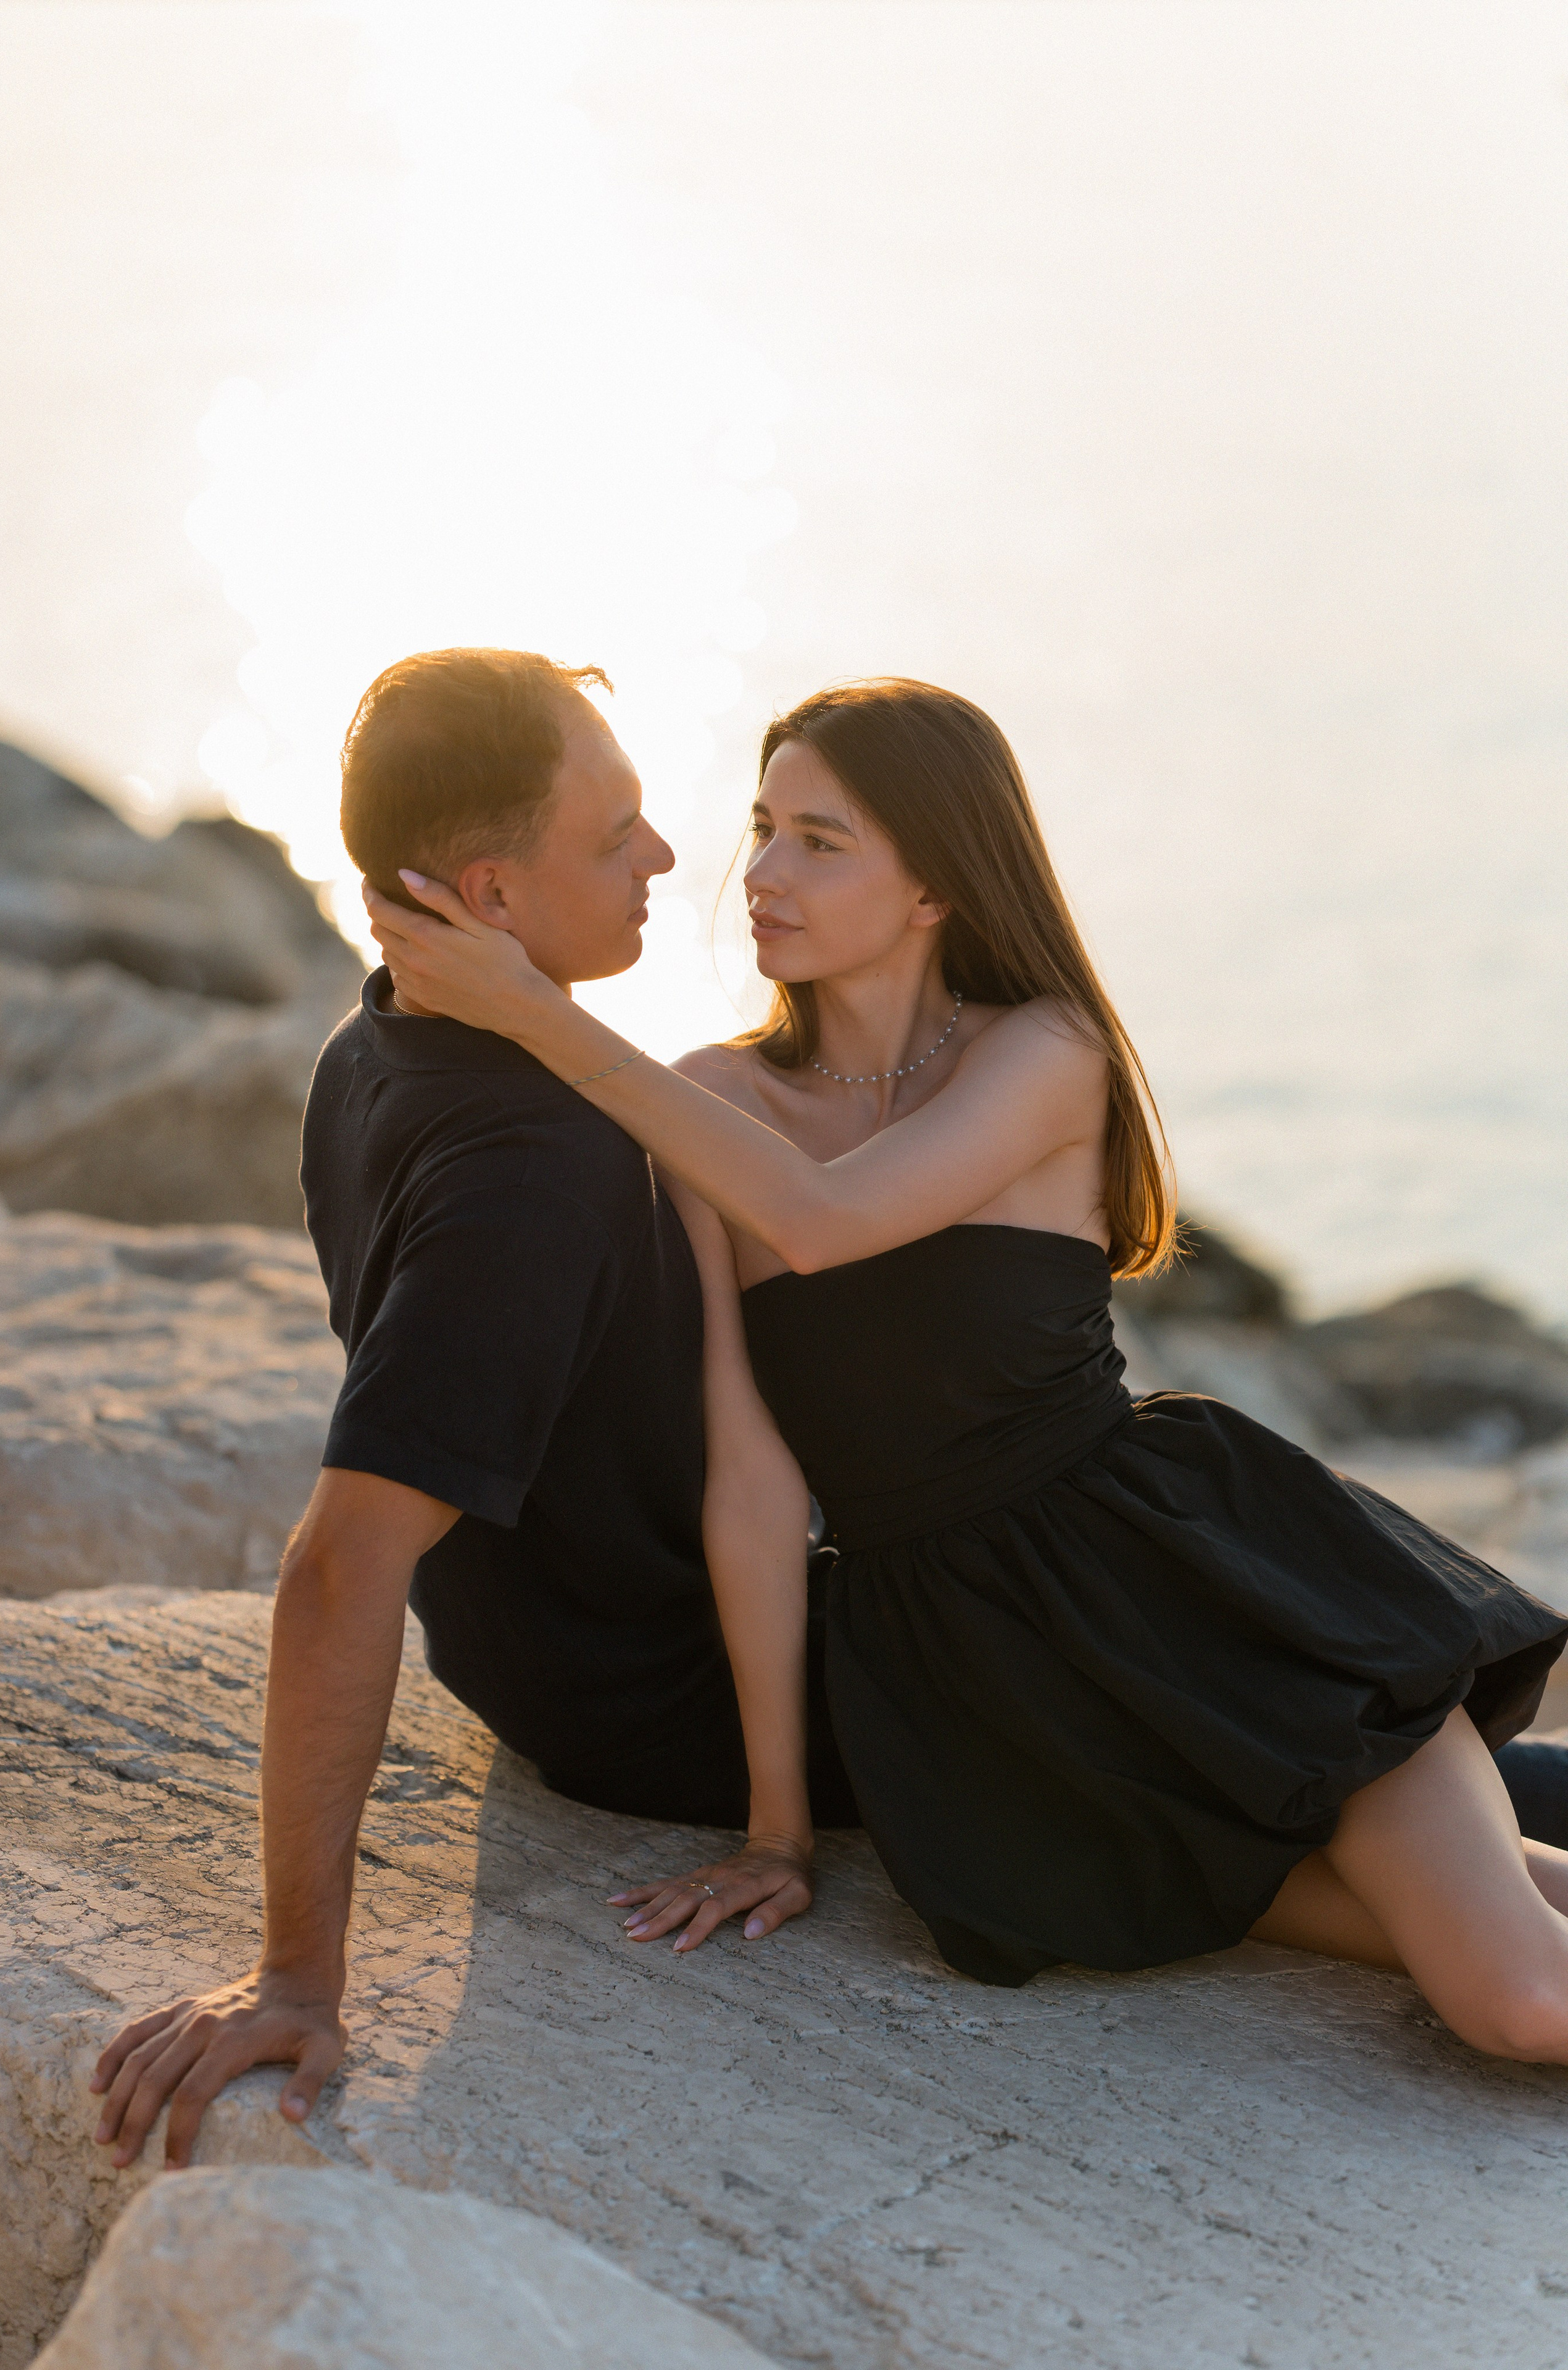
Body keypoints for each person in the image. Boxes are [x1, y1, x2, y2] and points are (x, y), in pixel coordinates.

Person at [365, 673, 1568, 2063]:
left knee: (1518, 1994)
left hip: (1205, 1603)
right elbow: (750, 1482)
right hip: (985, 1698)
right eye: (761, 827)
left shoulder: (1041, 1053)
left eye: (819, 840)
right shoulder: (711, 1101)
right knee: (1497, 1929)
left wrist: (534, 1014)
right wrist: (777, 1832)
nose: (757, 873)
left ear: (934, 884)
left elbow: (825, 1224)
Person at [89, 647, 855, 2174]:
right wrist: (299, 1973)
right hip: (690, 1685)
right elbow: (341, 1557)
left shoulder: (369, 1046)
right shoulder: (531, 1167)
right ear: (491, 898)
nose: (658, 857)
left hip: (579, 1648)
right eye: (611, 832)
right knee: (1242, 1688)